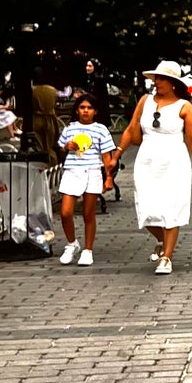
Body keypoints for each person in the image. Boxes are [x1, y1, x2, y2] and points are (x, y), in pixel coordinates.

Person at [115, 60, 192, 275]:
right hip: (147, 159)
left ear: (173, 83)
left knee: (171, 209)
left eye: (162, 78)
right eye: (156, 78)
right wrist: (116, 154)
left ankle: (167, 257)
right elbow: (130, 129)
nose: (158, 82)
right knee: (146, 210)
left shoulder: (184, 107)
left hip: (174, 160)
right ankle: (162, 239)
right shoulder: (145, 101)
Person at [56, 92, 118, 267]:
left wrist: (108, 178)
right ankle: (71, 243)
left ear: (95, 111)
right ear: (77, 110)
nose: (85, 111)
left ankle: (88, 249)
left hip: (92, 171)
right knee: (66, 212)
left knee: (88, 213)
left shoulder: (101, 129)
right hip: (72, 170)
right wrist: (66, 147)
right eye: (82, 108)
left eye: (89, 108)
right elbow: (60, 149)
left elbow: (106, 157)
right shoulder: (69, 129)